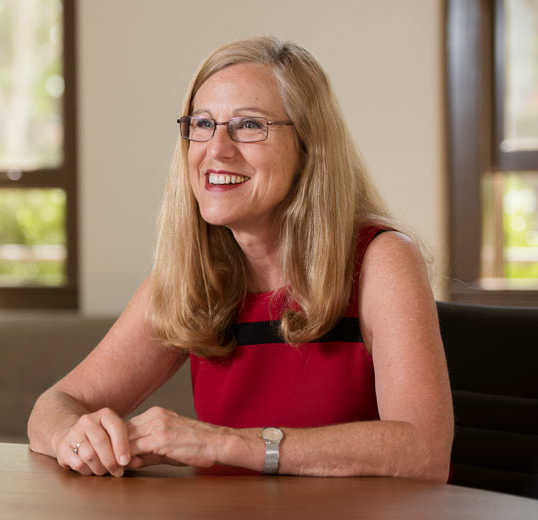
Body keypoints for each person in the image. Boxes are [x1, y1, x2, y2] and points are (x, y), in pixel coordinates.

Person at [27, 36, 453, 481]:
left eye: (249, 125)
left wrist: (222, 442)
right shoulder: (191, 276)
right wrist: (77, 439)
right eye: (203, 124)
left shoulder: (382, 261)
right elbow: (53, 406)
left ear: (308, 149)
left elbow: (423, 451)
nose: (217, 148)